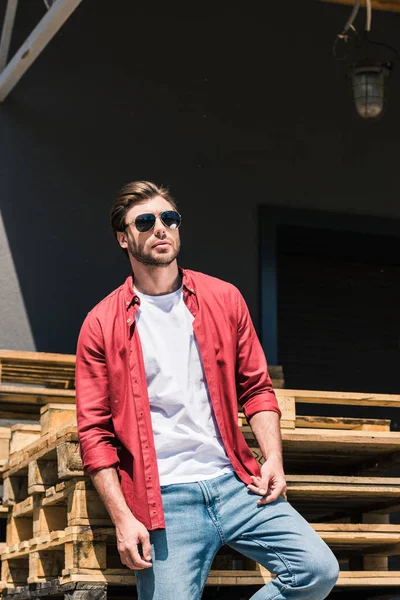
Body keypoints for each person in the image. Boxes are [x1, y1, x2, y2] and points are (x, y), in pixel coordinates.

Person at [76, 180, 339, 600]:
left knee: (316, 570)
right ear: (124, 238)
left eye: (169, 219)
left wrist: (273, 459)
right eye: (145, 221)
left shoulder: (223, 299)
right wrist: (123, 518)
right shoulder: (101, 323)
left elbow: (256, 387)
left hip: (237, 484)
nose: (160, 228)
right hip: (164, 500)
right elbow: (94, 433)